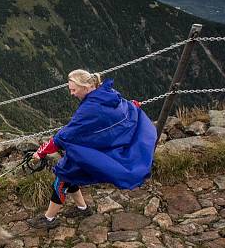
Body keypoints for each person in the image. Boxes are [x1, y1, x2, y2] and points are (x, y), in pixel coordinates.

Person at [29, 69, 156, 229]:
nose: (71, 93)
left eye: (73, 90)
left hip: (91, 150)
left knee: (62, 179)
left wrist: (41, 152)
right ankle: (83, 209)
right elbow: (125, 106)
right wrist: (133, 106)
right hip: (95, 148)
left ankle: (49, 219)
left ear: (85, 87)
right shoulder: (106, 93)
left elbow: (64, 135)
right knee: (71, 174)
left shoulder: (89, 108)